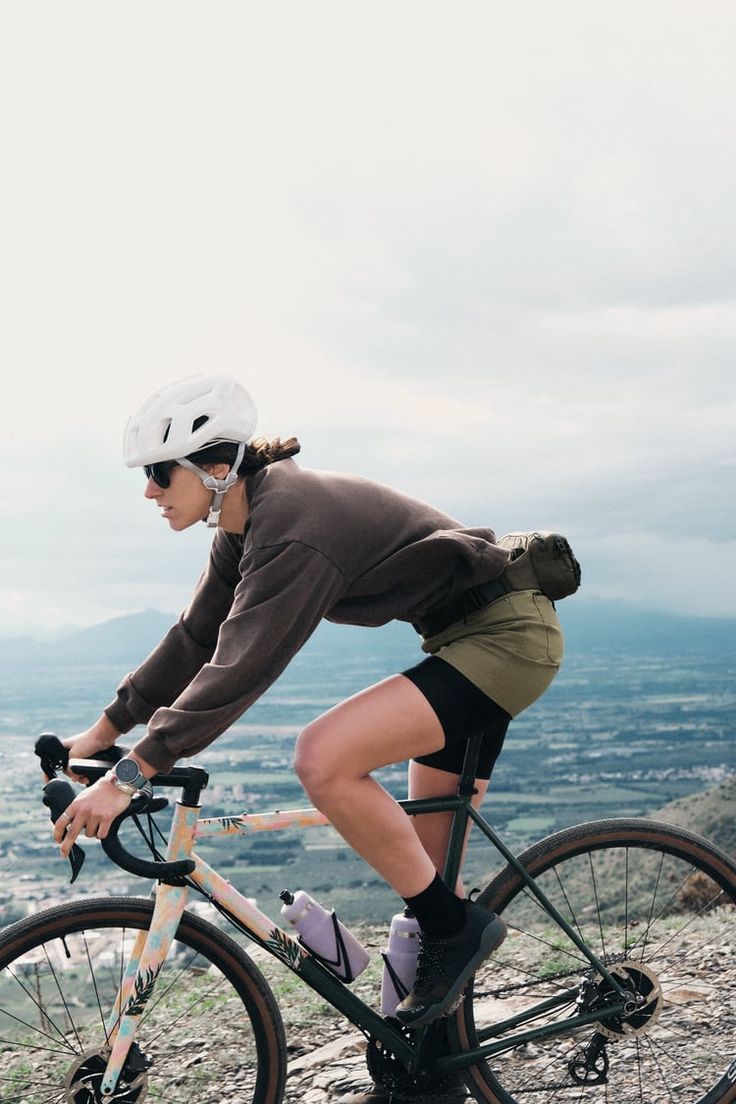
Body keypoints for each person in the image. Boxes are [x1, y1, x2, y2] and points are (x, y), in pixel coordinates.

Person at [53, 373, 564, 1104]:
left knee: (322, 758)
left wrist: (128, 774)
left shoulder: (291, 523)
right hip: (465, 640)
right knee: (426, 882)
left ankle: (459, 931)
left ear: (215, 468)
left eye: (159, 474)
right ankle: (433, 1073)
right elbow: (198, 636)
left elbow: (238, 668)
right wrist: (100, 734)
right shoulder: (249, 521)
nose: (149, 492)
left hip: (506, 638)